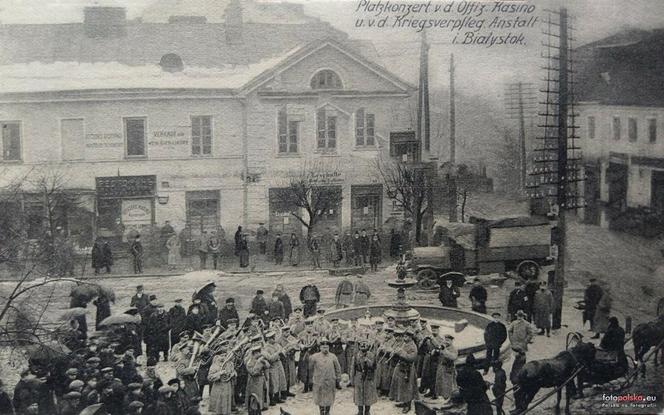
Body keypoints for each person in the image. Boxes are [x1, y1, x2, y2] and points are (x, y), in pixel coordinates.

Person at [309, 338, 341, 415]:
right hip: (319, 381)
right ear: (320, 348)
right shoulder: (315, 357)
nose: (325, 349)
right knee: (320, 397)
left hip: (330, 381)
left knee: (329, 397)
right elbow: (310, 368)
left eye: (327, 347)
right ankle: (321, 412)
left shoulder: (333, 356)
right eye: (323, 347)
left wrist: (338, 378)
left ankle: (327, 412)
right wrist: (311, 379)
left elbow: (338, 368)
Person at [389, 329, 418, 413]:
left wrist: (401, 353)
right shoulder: (404, 344)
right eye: (404, 336)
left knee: (407, 387)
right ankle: (403, 401)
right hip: (400, 366)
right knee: (399, 385)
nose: (404, 338)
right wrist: (394, 353)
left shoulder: (413, 346)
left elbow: (412, 358)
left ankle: (407, 405)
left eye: (406, 336)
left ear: (411, 337)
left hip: (407, 369)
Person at [207, 342, 236, 415]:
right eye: (221, 356)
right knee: (219, 405)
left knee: (226, 404)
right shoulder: (214, 365)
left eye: (225, 355)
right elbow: (210, 377)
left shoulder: (229, 363)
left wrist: (233, 374)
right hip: (218, 387)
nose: (223, 357)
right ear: (218, 356)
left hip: (227, 386)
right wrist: (220, 373)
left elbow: (234, 372)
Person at [351, 341, 377, 415]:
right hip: (359, 376)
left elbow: (374, 367)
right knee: (359, 394)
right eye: (361, 346)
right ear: (359, 347)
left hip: (368, 376)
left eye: (365, 346)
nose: (363, 348)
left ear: (368, 347)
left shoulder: (372, 355)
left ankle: (367, 411)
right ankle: (360, 410)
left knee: (368, 393)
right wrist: (352, 379)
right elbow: (353, 368)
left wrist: (367, 361)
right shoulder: (356, 356)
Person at [244, 345, 270, 411]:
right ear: (254, 353)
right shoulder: (249, 362)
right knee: (256, 394)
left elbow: (268, 366)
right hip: (254, 380)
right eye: (258, 353)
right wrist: (258, 363)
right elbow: (253, 372)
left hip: (262, 379)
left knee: (263, 392)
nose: (260, 354)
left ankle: (262, 406)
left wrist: (264, 362)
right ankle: (255, 407)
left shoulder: (261, 359)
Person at [434, 334, 458, 401]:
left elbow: (452, 357)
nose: (446, 342)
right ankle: (442, 397)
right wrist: (435, 352)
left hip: (448, 370)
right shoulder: (443, 347)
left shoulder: (454, 349)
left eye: (448, 340)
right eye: (445, 340)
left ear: (451, 341)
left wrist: (444, 350)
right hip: (441, 368)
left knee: (448, 386)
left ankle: (449, 399)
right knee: (440, 385)